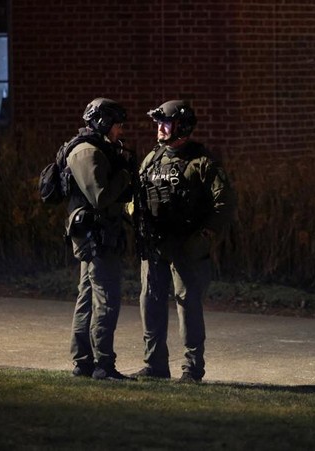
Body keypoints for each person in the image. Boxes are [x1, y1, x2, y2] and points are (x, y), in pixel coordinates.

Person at [129, 99, 236, 383]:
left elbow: (224, 202)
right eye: (159, 124)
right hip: (154, 246)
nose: (161, 129)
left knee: (187, 305)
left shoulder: (201, 161)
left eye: (166, 123)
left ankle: (192, 368)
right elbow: (135, 197)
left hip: (187, 248)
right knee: (149, 302)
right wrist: (134, 212)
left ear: (182, 126)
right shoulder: (152, 158)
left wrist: (205, 235)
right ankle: (154, 365)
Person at [66, 97, 135, 380]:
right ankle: (102, 365)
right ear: (103, 122)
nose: (121, 131)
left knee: (87, 297)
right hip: (96, 236)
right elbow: (101, 197)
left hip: (97, 234)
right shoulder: (87, 152)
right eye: (117, 125)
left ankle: (83, 363)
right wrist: (125, 174)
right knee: (106, 299)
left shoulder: (96, 149)